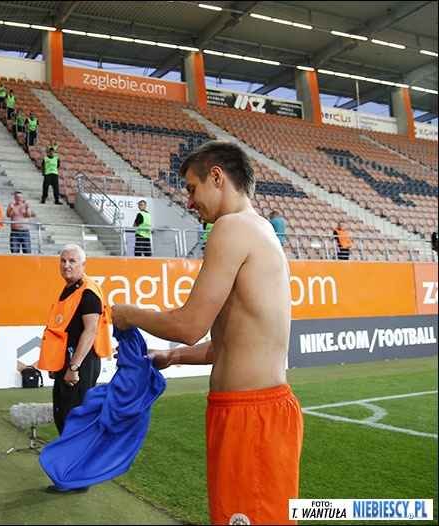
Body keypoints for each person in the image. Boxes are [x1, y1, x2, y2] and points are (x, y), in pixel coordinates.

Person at [111, 141, 303, 525]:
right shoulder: (258, 229)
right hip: (251, 413)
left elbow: (188, 325)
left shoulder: (232, 228)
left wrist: (127, 314)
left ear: (217, 177)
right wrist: (173, 357)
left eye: (191, 188)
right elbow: (228, 343)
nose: (189, 201)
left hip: (251, 417)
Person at [38, 244, 113, 438]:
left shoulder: (88, 292)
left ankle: (79, 456)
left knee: (73, 419)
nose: (66, 265)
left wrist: (73, 367)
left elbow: (90, 331)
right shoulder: (70, 288)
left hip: (80, 364)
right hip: (68, 363)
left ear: (83, 265)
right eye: (63, 261)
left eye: (72, 261)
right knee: (63, 415)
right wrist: (57, 366)